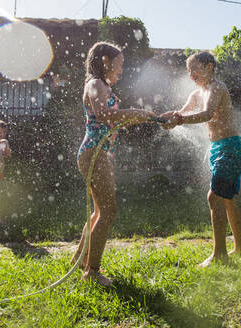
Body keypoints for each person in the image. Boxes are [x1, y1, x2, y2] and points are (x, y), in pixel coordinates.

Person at [72, 41, 156, 286]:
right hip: (94, 153)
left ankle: (79, 260)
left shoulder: (102, 85)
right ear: (105, 61)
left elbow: (113, 121)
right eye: (119, 65)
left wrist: (144, 117)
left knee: (99, 211)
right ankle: (92, 272)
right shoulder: (95, 83)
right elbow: (104, 116)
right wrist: (135, 112)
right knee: (109, 212)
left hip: (98, 153)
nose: (121, 70)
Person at [161, 51, 241, 267]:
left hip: (229, 146)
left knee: (214, 197)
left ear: (209, 66)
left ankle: (220, 254)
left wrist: (180, 120)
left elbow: (207, 114)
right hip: (217, 147)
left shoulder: (217, 88)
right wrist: (171, 119)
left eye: (195, 69)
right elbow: (183, 112)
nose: (191, 74)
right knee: (227, 198)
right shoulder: (197, 93)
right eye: (188, 70)